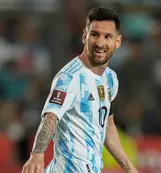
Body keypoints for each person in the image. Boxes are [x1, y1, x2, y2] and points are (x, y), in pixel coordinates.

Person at [22, 7, 139, 173]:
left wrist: (129, 168)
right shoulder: (70, 77)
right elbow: (51, 118)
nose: (100, 43)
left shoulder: (110, 79)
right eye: (95, 34)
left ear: (117, 42)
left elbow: (107, 127)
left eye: (107, 37)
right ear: (85, 36)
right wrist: (37, 154)